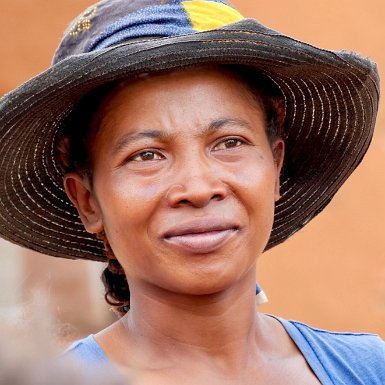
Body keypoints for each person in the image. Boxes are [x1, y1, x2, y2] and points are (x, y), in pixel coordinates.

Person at [0, 0, 383, 384]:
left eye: (230, 143)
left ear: (276, 165)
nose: (199, 189)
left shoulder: (367, 369)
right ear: (87, 201)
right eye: (146, 155)